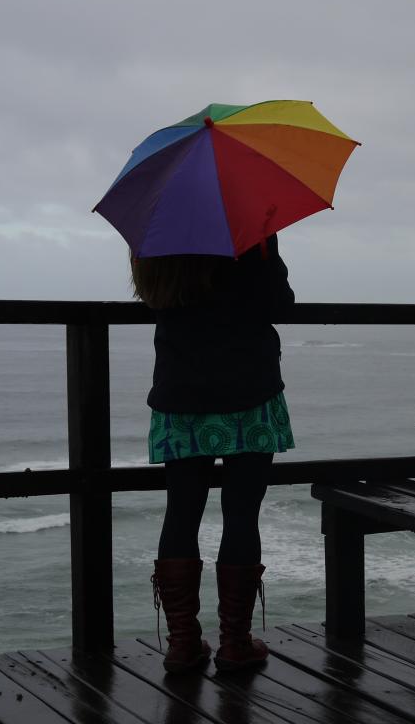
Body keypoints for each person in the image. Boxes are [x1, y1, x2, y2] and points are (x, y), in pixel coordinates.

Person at [134, 234, 295, 673]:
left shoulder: (155, 231)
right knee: (242, 514)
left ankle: (183, 645)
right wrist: (268, 253)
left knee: (180, 513)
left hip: (179, 393)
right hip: (250, 391)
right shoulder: (248, 226)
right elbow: (279, 304)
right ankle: (234, 644)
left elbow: (156, 299)